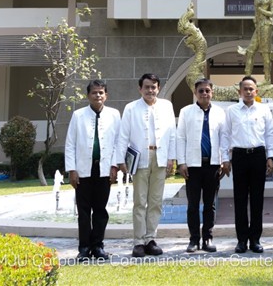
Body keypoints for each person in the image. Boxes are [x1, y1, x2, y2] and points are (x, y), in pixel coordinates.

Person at [115, 73, 176, 258]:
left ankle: (150, 239)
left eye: (153, 87)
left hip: (160, 156)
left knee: (156, 201)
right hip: (140, 157)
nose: (150, 90)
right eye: (147, 87)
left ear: (158, 88)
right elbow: (123, 135)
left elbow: (172, 134)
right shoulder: (131, 108)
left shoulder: (166, 106)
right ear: (140, 89)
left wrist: (171, 158)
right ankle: (139, 242)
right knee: (140, 201)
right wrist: (120, 160)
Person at [64, 79, 121, 262]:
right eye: (94, 92)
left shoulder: (114, 114)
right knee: (83, 211)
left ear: (106, 95)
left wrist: (114, 166)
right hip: (83, 170)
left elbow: (118, 143)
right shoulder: (78, 115)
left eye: (101, 92)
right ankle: (84, 248)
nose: (98, 95)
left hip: (104, 169)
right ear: (88, 95)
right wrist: (72, 170)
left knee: (100, 210)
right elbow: (70, 144)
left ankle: (98, 246)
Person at [220, 75, 273, 254]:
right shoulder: (231, 111)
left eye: (251, 89)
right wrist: (225, 159)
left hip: (258, 155)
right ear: (240, 91)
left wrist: (270, 157)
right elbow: (225, 135)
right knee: (240, 199)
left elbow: (269, 134)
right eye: (245, 89)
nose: (249, 92)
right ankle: (242, 240)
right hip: (239, 156)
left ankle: (255, 239)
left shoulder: (264, 110)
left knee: (257, 199)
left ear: (256, 91)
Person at [176, 78, 226, 253]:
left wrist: (224, 160)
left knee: (210, 204)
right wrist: (181, 162)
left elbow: (224, 138)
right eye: (201, 91)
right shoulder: (186, 112)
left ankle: (208, 238)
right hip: (193, 166)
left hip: (213, 165)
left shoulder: (220, 112)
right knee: (193, 205)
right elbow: (180, 137)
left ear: (212, 92)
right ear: (195, 93)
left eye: (207, 90)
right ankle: (194, 239)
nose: (204, 93)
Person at [240, 0, 273, 83]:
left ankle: (267, 78)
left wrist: (260, 9)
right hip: (259, 25)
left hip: (267, 24)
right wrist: (256, 20)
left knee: (265, 52)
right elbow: (256, 15)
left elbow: (272, 13)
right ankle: (247, 77)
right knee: (250, 51)